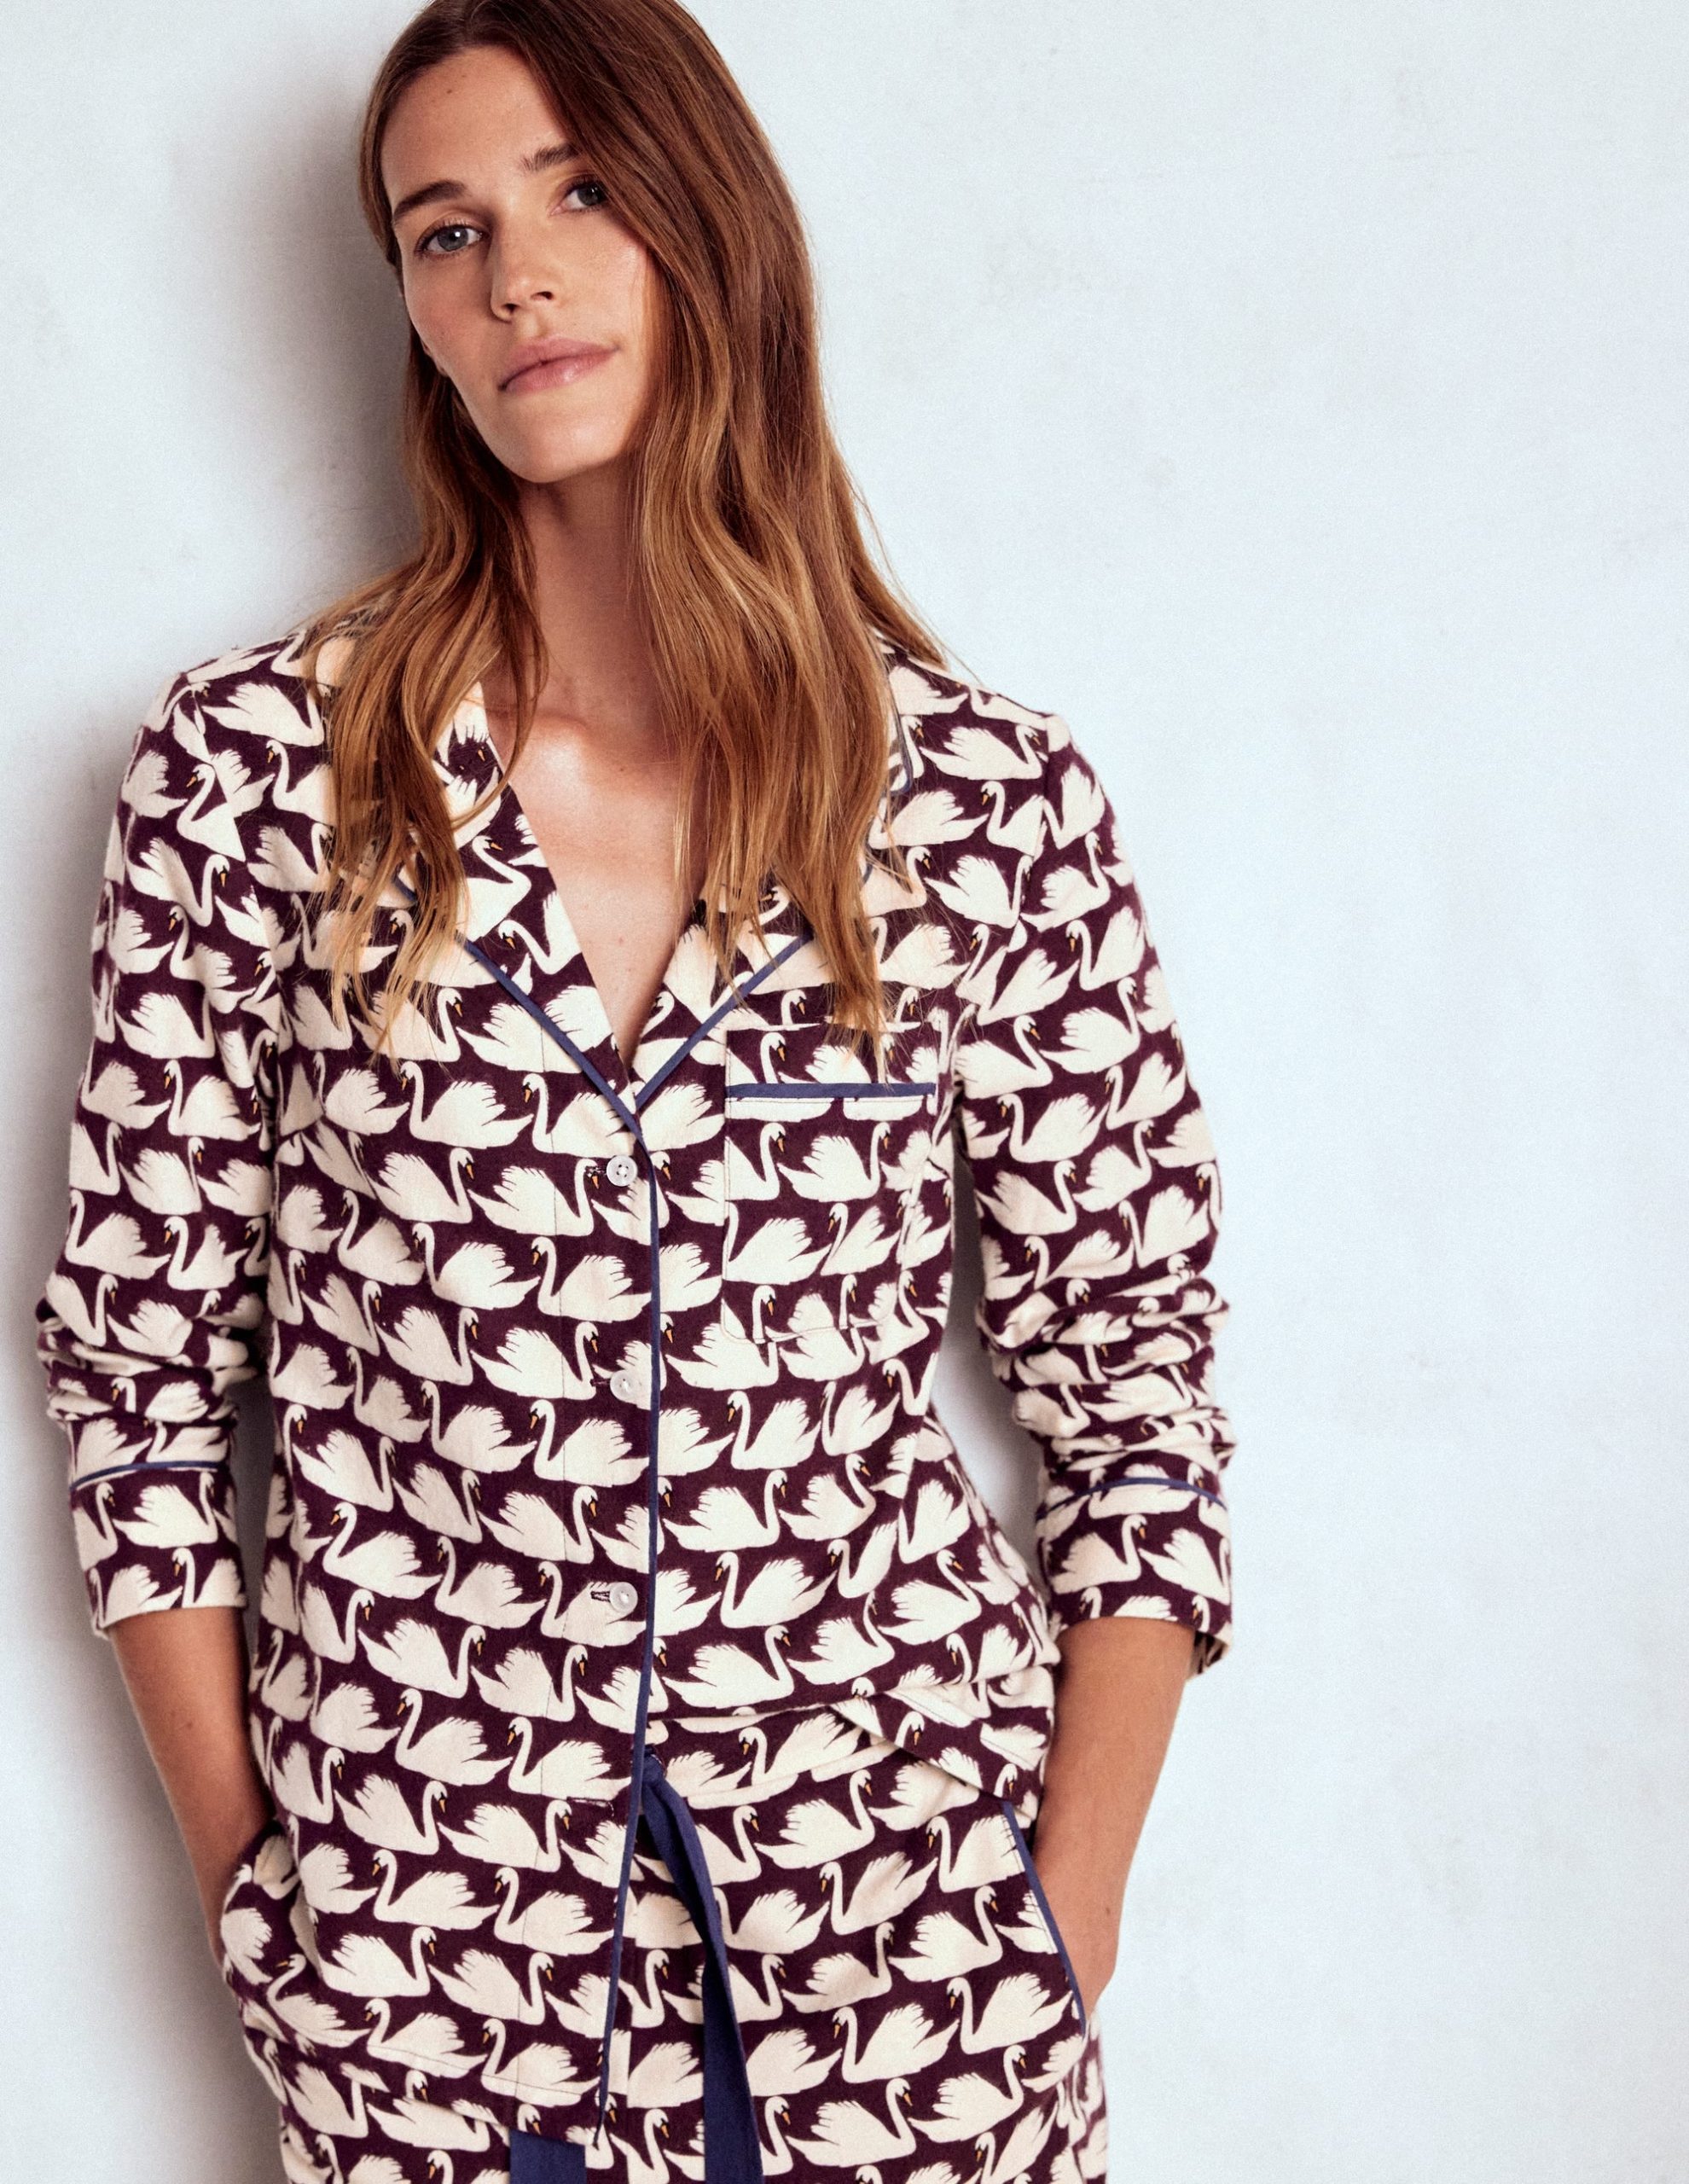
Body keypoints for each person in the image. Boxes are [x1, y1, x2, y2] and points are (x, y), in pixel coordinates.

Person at [34, 2, 1235, 2177]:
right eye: (444, 229)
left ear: (710, 223)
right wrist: (265, 1910)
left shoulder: (981, 807)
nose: (519, 276)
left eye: (582, 190)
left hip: (913, 1979)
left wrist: (1063, 1922)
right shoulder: (255, 778)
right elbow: (135, 1376)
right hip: (427, 1990)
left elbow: (1137, 1394)